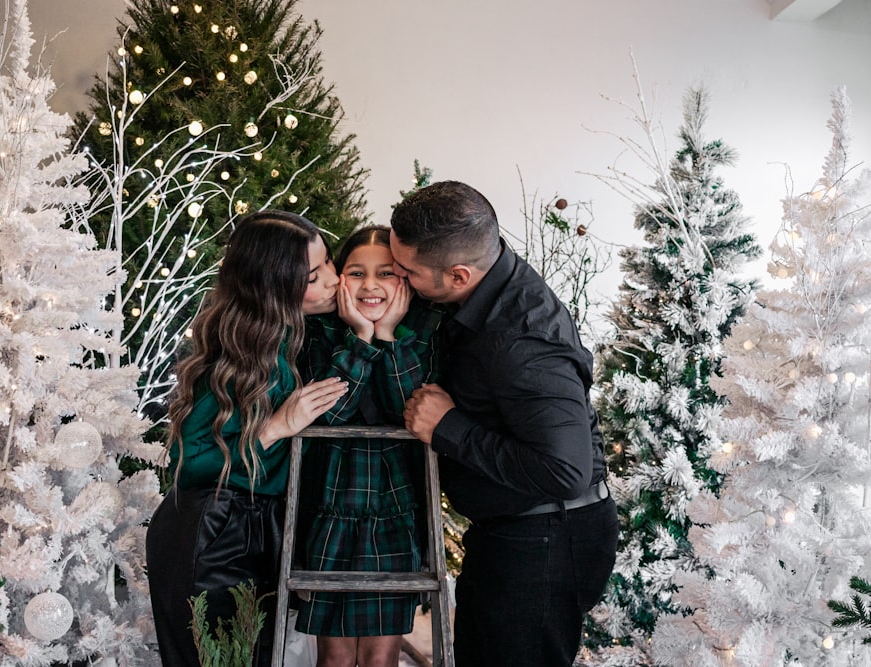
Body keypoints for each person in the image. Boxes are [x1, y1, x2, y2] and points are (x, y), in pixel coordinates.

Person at [390, 181, 619, 666]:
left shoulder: (523, 338)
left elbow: (565, 470)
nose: (398, 278)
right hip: (518, 534)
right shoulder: (481, 287)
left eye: (406, 272)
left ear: (458, 275)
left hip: (545, 543)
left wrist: (448, 426)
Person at [145, 210, 349, 667]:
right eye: (315, 275)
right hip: (214, 532)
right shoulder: (238, 353)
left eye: (330, 263)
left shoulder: (298, 337)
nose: (334, 280)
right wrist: (275, 427)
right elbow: (188, 462)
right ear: (276, 286)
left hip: (261, 527)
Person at [294, 226, 445, 667]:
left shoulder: (422, 336)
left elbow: (411, 411)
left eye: (385, 274)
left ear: (405, 281)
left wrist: (389, 337)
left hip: (396, 511)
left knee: (381, 658)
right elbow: (331, 415)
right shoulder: (318, 334)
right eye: (357, 273)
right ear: (340, 277)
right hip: (331, 510)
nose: (371, 286)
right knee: (336, 658)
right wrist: (360, 337)